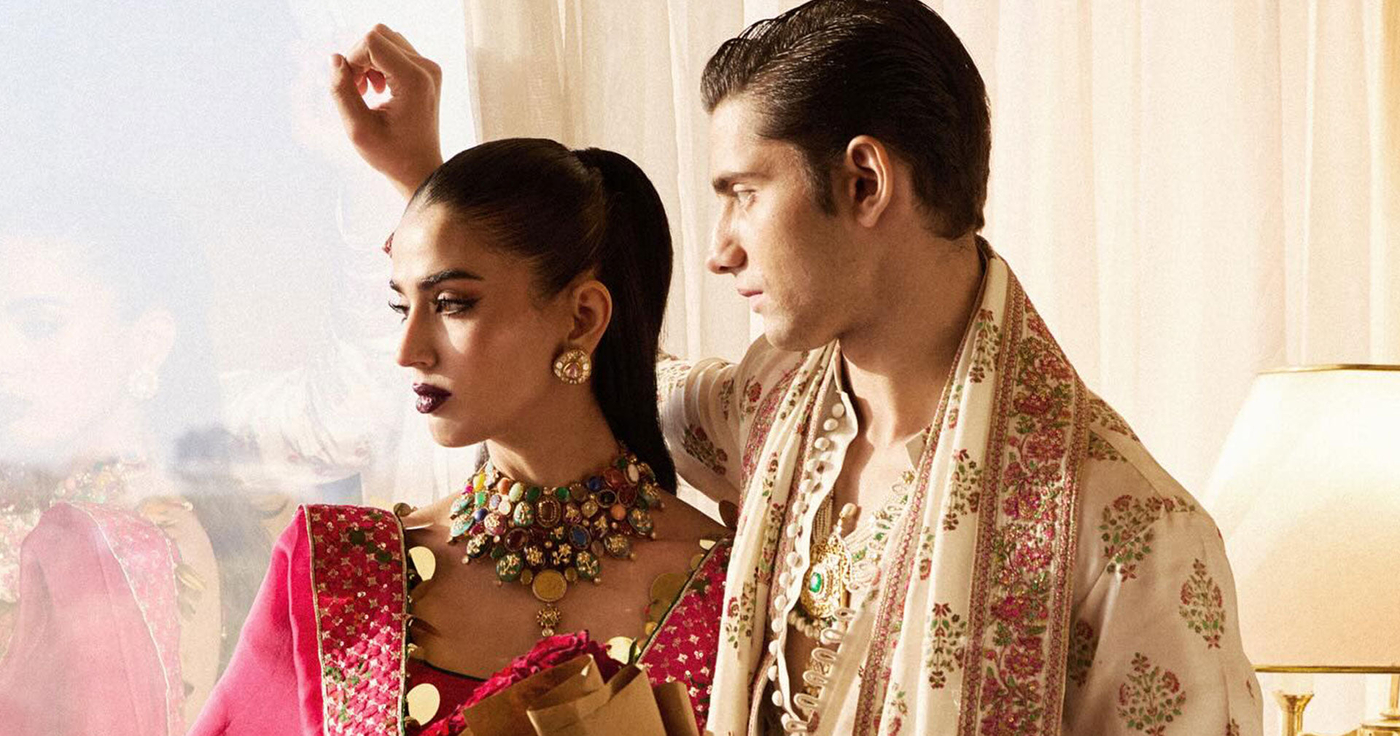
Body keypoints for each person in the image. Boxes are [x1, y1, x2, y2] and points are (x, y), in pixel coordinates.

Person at [340, 3, 1263, 733]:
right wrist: (435, 196)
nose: (720, 250)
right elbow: (569, 359)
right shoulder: (774, 411)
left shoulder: (1130, 534)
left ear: (864, 183)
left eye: (743, 194)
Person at [188, 137, 730, 735]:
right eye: (402, 307)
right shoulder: (341, 574)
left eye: (450, 304)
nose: (407, 351)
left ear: (581, 319)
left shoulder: (727, 593)